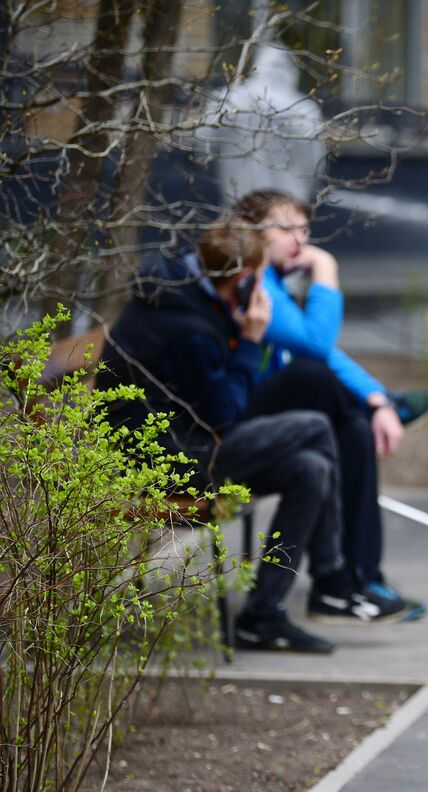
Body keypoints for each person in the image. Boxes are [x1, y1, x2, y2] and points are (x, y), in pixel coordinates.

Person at [96, 222, 377, 652]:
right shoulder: (189, 329)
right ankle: (333, 577)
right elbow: (223, 414)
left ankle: (263, 615)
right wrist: (250, 339)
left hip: (184, 442)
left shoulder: (184, 291)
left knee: (311, 467)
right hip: (165, 464)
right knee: (317, 427)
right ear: (244, 278)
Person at [229, 189, 428, 621]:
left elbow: (323, 353)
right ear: (249, 232)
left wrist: (375, 399)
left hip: (271, 415)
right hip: (232, 423)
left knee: (355, 427)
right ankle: (350, 581)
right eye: (286, 229)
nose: (300, 241)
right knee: (313, 379)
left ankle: (356, 579)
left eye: (305, 230)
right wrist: (326, 268)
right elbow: (316, 346)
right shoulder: (250, 283)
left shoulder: (274, 284)